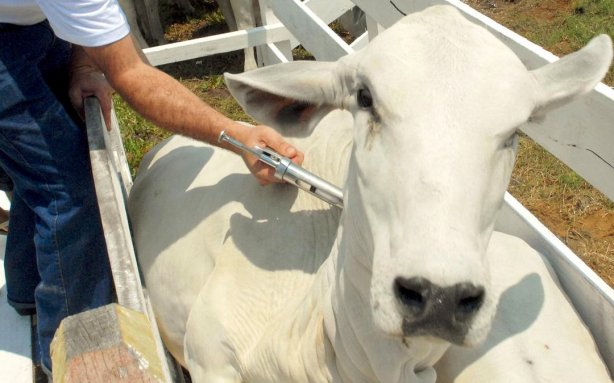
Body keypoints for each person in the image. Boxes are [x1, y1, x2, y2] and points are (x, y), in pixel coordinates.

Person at [0, 0, 304, 376]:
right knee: (70, 190)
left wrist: (83, 62)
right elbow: (131, 74)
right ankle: (71, 353)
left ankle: (26, 287)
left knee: (42, 160)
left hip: (27, 21)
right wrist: (238, 136)